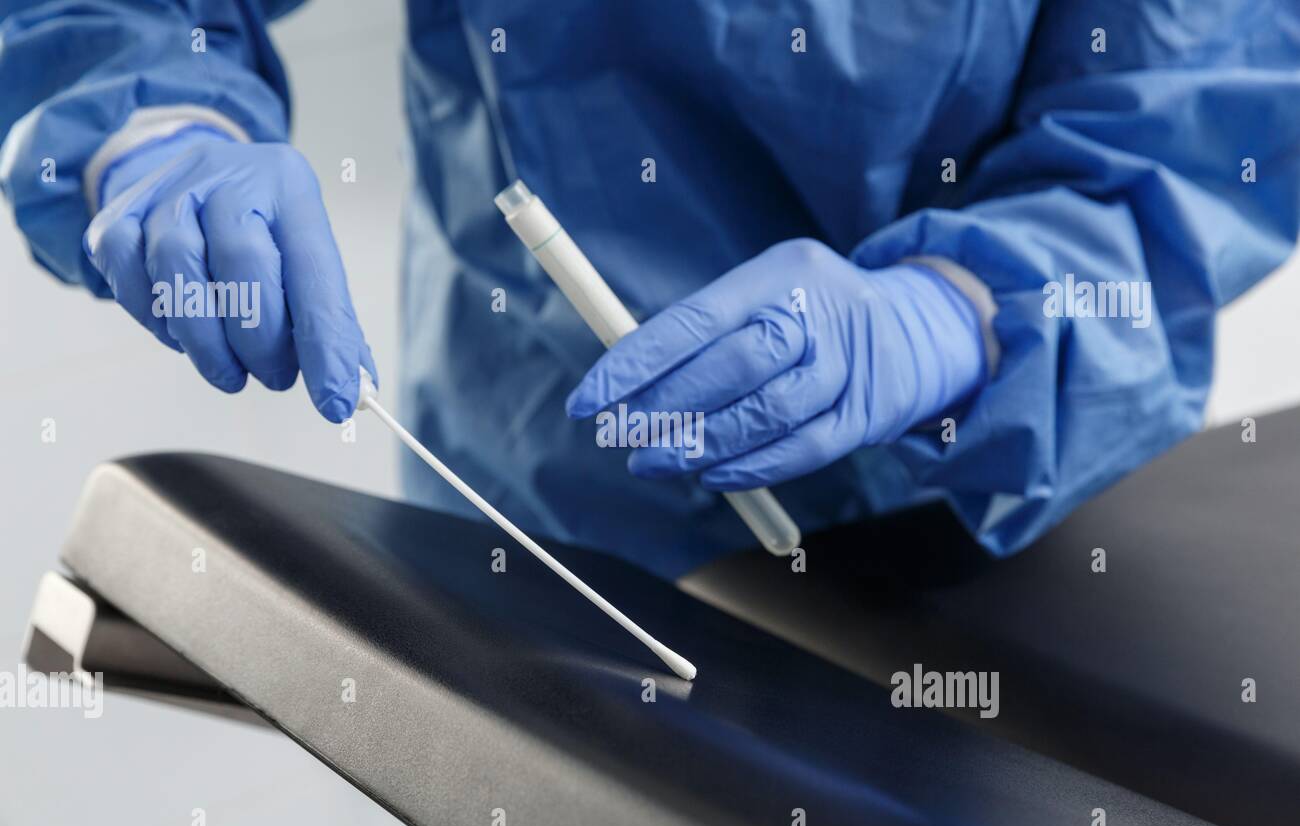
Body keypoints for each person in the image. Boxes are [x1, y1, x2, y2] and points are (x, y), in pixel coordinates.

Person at [3, 1, 1298, 579]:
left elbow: (1188, 132)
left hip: (993, 523)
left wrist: (962, 316)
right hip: (550, 500)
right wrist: (152, 128)